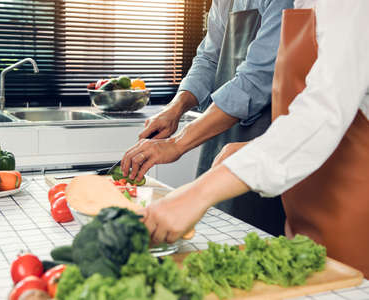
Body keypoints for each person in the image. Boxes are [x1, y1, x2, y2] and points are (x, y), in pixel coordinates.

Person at [140, 0, 369, 278]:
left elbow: (323, 110)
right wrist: (251, 148)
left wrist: (198, 190)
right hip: (305, 195)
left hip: (353, 196)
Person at [121, 0, 293, 236]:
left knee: (256, 233)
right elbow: (208, 59)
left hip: (267, 137)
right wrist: (174, 108)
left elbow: (255, 80)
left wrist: (176, 143)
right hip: (220, 132)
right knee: (215, 227)